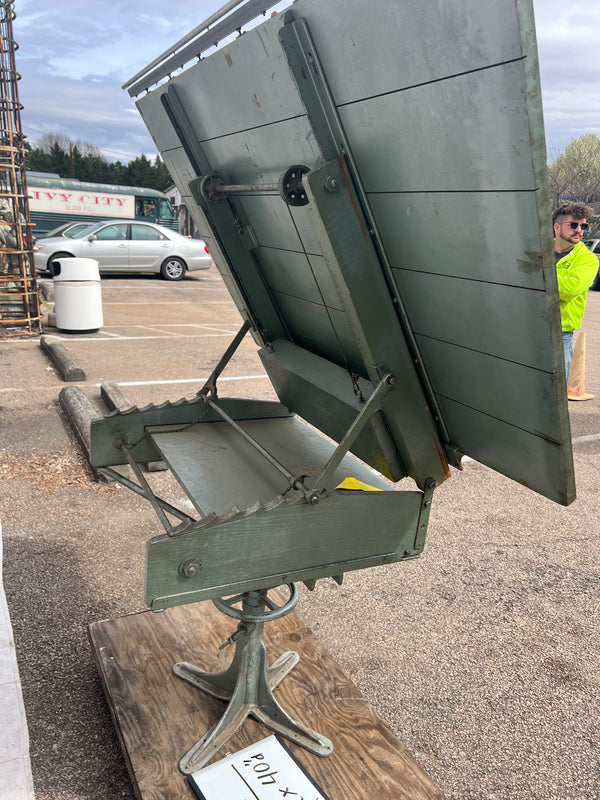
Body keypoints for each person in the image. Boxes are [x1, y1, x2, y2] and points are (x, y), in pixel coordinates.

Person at [552, 202, 598, 382]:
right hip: (527, 328)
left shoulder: (588, 259)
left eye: (583, 226)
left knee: (555, 393)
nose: (579, 229)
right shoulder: (539, 249)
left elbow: (569, 290)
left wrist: (539, 275)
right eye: (573, 225)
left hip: (560, 334)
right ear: (557, 227)